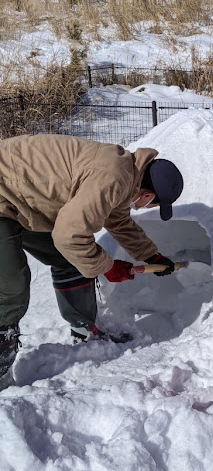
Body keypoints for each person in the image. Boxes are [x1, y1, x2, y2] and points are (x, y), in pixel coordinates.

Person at [0, 133, 184, 390]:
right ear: (147, 195)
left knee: (69, 260)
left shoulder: (125, 174)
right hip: (5, 193)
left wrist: (151, 255)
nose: (148, 208)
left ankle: (84, 331)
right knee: (10, 287)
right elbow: (70, 235)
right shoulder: (113, 177)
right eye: (154, 204)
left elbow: (117, 220)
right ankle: (1, 372)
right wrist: (108, 267)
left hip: (19, 200)